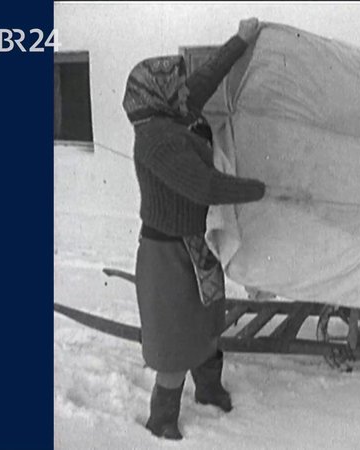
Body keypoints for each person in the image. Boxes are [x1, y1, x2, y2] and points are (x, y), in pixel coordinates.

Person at [121, 17, 292, 440]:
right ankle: (162, 417)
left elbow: (205, 78)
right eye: (175, 86)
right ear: (157, 95)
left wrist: (240, 39)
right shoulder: (156, 140)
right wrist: (266, 191)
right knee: (176, 338)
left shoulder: (176, 113)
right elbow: (204, 186)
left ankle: (209, 389)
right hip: (166, 255)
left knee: (207, 323)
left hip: (197, 244)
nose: (184, 90)